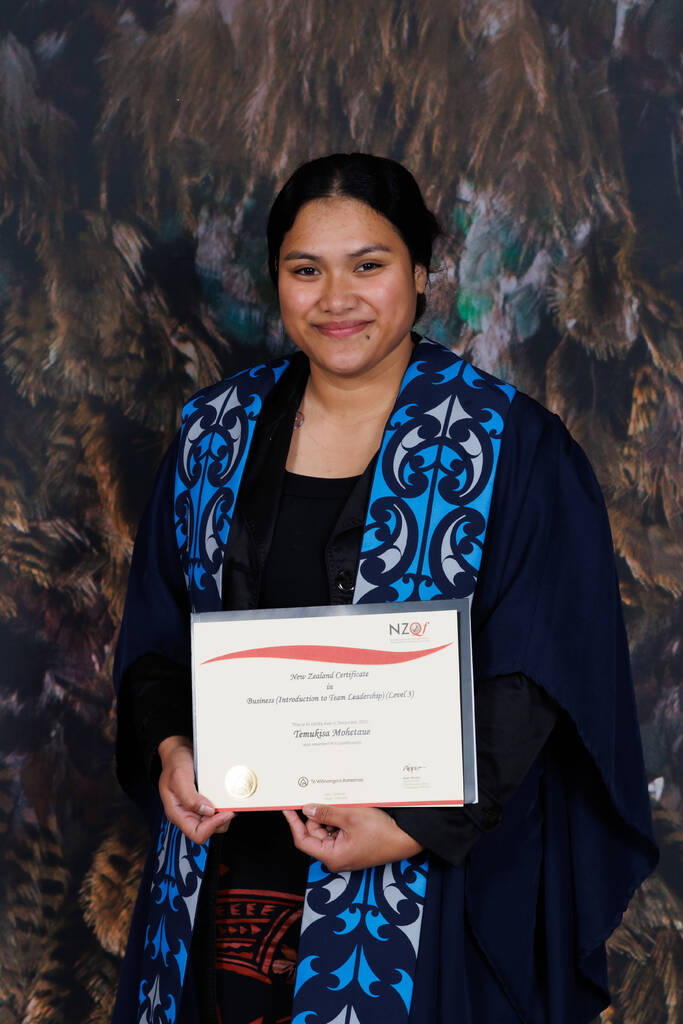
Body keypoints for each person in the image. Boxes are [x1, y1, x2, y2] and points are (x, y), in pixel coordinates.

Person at [112, 153, 657, 1024]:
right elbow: (157, 633)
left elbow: (540, 671)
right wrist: (169, 747)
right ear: (276, 283)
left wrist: (407, 823)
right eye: (305, 270)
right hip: (226, 870)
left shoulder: (509, 447)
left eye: (367, 266)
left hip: (411, 886)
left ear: (420, 276)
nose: (337, 299)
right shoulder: (213, 433)